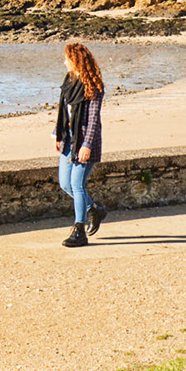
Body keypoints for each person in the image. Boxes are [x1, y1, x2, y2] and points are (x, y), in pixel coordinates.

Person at [54, 41, 107, 247]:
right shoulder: (69, 81)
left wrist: (87, 145)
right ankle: (94, 209)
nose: (64, 62)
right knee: (65, 184)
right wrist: (57, 134)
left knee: (77, 185)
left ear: (76, 61)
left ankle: (79, 231)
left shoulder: (93, 86)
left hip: (85, 141)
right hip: (68, 138)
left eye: (67, 59)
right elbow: (63, 112)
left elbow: (94, 120)